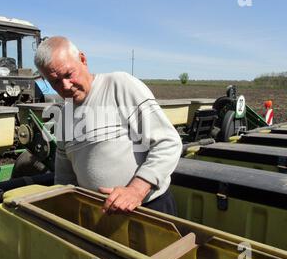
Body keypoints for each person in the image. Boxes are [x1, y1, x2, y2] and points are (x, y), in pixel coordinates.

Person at [34, 36, 182, 215]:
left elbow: (168, 142)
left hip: (148, 209)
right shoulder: (64, 115)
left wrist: (136, 190)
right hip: (100, 216)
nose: (65, 86)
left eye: (68, 74)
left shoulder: (119, 86)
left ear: (82, 59)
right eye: (55, 82)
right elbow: (65, 177)